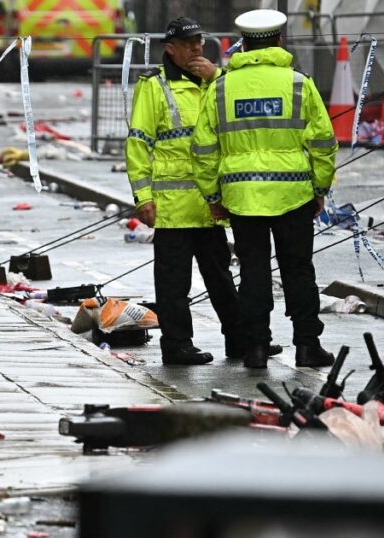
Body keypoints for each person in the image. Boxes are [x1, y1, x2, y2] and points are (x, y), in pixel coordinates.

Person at [127, 17, 280, 365]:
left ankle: (239, 340)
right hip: (173, 206)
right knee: (173, 283)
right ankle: (177, 344)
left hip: (210, 203)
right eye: (188, 44)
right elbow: (138, 143)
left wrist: (217, 77)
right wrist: (143, 196)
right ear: (171, 49)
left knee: (221, 277)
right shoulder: (154, 86)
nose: (197, 48)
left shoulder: (217, 82)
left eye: (199, 41)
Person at [191, 9, 338, 369]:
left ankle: (256, 348)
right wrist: (319, 189)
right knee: (298, 271)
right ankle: (307, 346)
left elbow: (203, 149)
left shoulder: (221, 88)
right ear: (279, 40)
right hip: (294, 195)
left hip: (242, 197)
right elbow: (323, 143)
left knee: (253, 273)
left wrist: (213, 196)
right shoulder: (299, 84)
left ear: (243, 44)